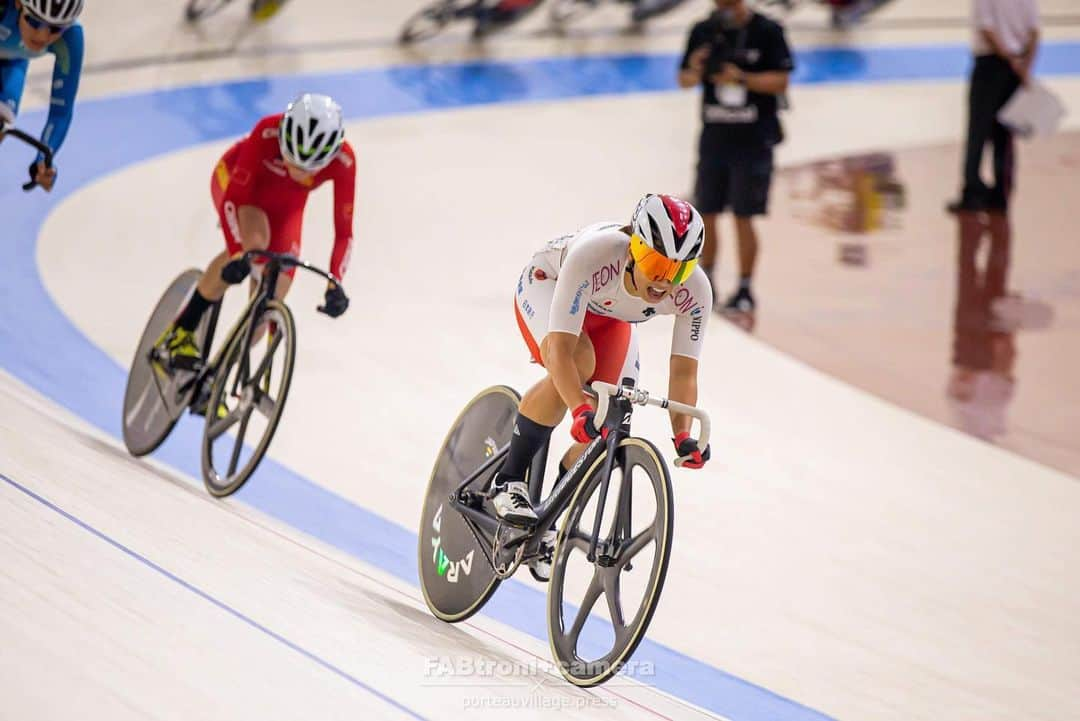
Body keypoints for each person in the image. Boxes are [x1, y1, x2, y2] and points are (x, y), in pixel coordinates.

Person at [493, 194, 713, 532]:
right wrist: (577, 408)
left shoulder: (696, 291)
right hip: (549, 285)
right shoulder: (595, 255)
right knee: (578, 364)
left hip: (610, 316)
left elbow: (684, 372)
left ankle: (547, 521)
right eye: (656, 265)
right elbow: (561, 353)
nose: (665, 282)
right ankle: (508, 480)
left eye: (679, 270)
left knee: (612, 415)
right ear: (633, 249)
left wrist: (683, 435)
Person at [156, 93, 354, 370]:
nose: (294, 169)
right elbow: (234, 200)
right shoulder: (267, 131)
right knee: (255, 245)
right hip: (238, 184)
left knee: (270, 302)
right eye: (289, 158)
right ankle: (182, 330)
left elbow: (344, 232)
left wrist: (335, 282)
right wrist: (238, 254)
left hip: (286, 206)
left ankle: (216, 377)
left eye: (307, 168)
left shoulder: (345, 161)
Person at [678, 0, 793, 315]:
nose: (724, 6)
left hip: (754, 140)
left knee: (744, 215)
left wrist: (741, 78)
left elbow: (781, 80)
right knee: (707, 213)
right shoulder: (704, 30)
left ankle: (744, 287)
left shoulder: (767, 31)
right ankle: (707, 280)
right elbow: (684, 80)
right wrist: (698, 68)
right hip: (715, 137)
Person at [948, 0, 1040, 213]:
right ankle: (1001, 193)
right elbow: (1034, 32)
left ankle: (973, 192)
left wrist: (1008, 59)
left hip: (991, 64)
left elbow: (987, 29)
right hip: (1017, 66)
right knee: (1004, 136)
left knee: (978, 131)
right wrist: (1025, 68)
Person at [0, 0, 85, 192]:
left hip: (12, 63)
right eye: (35, 22)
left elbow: (60, 114)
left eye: (57, 29)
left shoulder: (72, 37)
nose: (43, 36)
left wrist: (42, 162)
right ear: (18, 4)